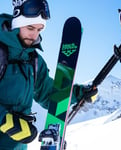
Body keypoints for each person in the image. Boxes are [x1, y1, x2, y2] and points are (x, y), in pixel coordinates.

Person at [0, 0, 98, 149]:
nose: (34, 35)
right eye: (30, 27)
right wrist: (4, 120)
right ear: (16, 23)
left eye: (39, 30)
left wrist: (78, 93)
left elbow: (48, 95)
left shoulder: (34, 61)